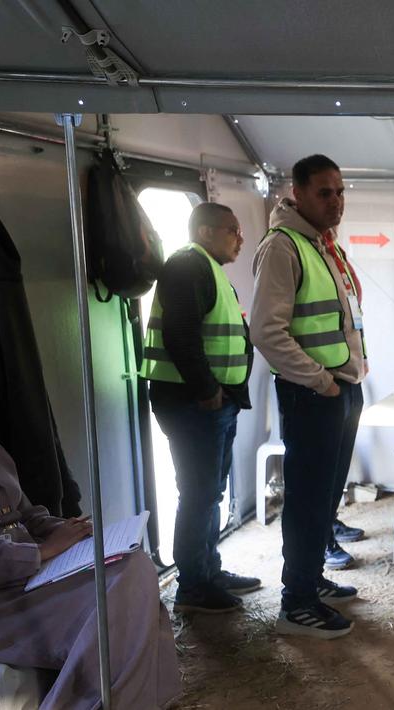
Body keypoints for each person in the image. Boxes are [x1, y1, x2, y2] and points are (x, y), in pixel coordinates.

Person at [250, 154, 366, 638]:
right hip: (313, 393)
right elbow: (266, 332)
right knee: (305, 499)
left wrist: (349, 377)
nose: (336, 201)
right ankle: (295, 603)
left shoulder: (321, 244)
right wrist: (320, 380)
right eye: (324, 192)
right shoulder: (284, 247)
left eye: (340, 191)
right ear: (296, 193)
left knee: (324, 497)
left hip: (341, 389)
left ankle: (311, 579)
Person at [140, 202, 260, 614]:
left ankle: (208, 570)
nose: (240, 238)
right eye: (233, 230)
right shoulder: (188, 265)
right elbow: (181, 333)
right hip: (193, 402)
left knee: (209, 491)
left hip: (214, 402)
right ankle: (193, 587)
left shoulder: (209, 269)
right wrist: (207, 388)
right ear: (206, 232)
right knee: (198, 492)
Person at [0, 444, 181, 709]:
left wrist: (68, 529)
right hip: (7, 599)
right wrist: (44, 550)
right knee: (118, 593)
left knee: (135, 566)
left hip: (30, 577)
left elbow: (26, 515)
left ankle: (123, 701)